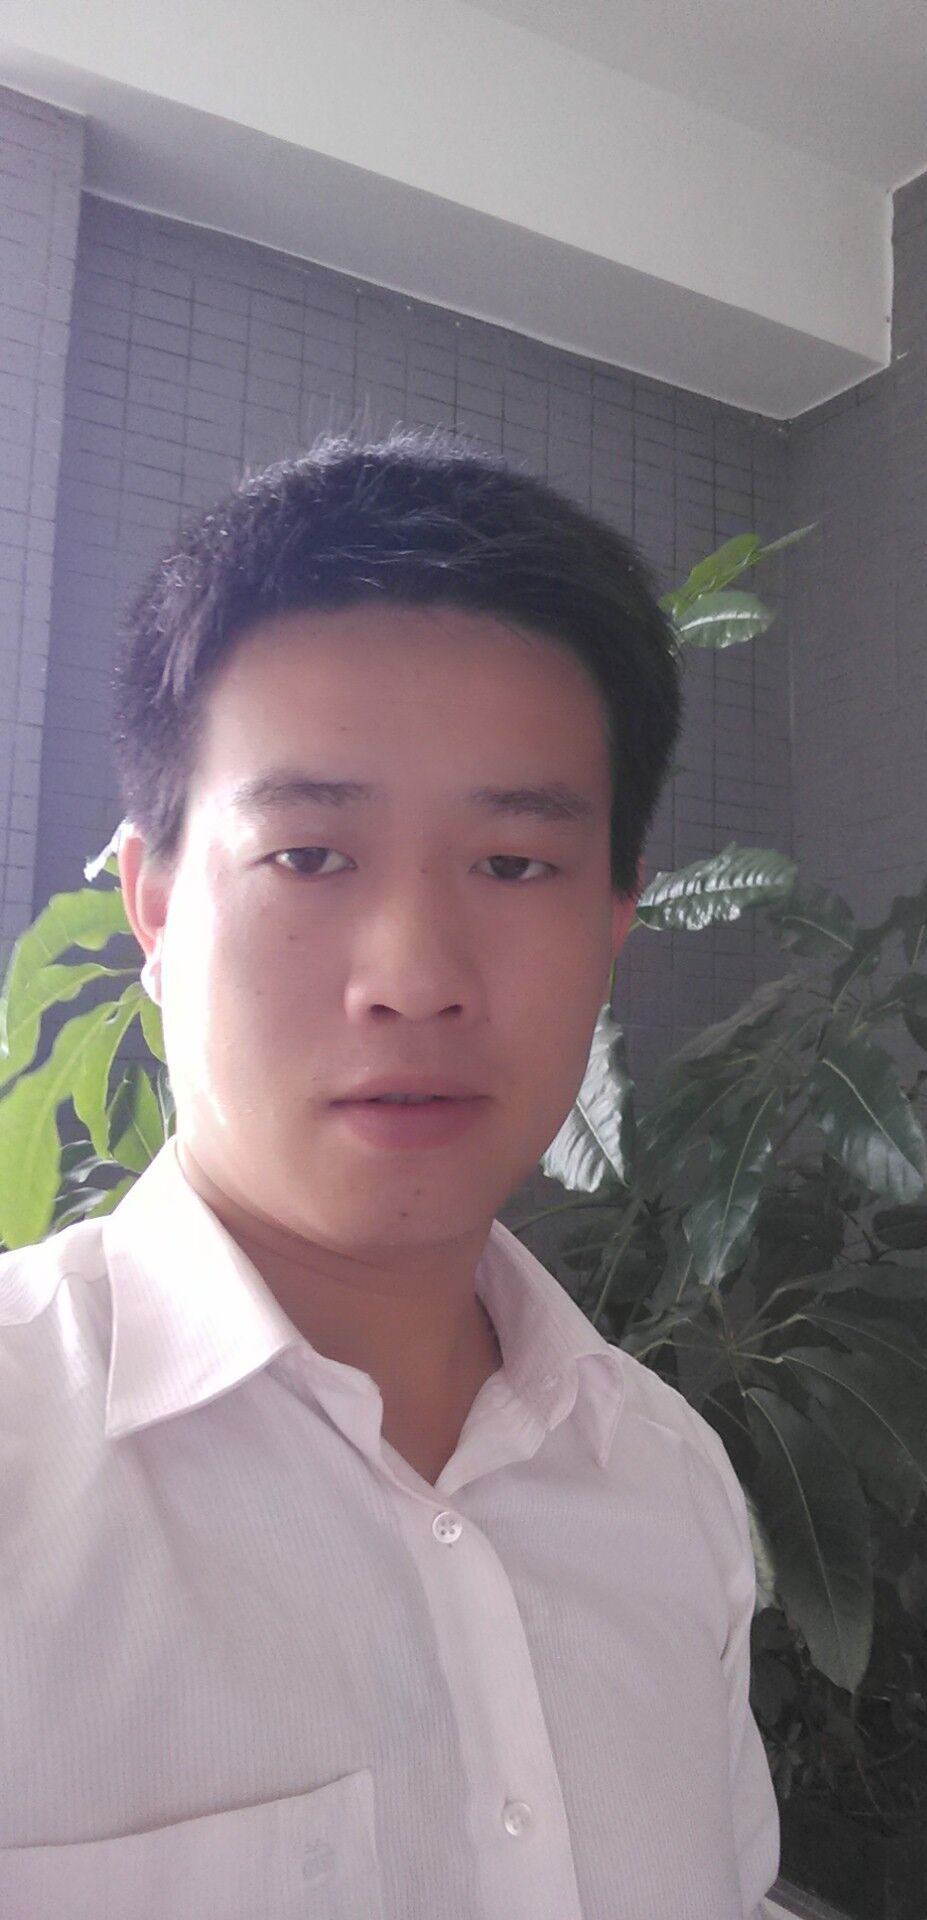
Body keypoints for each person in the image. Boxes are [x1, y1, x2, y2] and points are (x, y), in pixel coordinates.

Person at [0, 428, 780, 1917]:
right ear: (153, 907)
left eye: (515, 865)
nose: (415, 979)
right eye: (309, 856)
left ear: (613, 928)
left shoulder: (667, 1480)